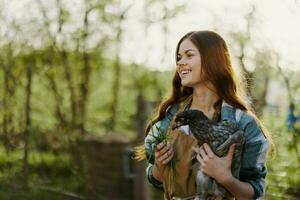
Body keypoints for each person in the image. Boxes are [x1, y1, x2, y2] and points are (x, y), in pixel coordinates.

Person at [140, 30, 271, 200]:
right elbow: (154, 178)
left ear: (212, 59)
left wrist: (225, 178)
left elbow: (255, 192)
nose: (180, 63)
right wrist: (160, 164)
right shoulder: (170, 118)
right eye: (179, 57)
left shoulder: (244, 124)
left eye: (188, 55)